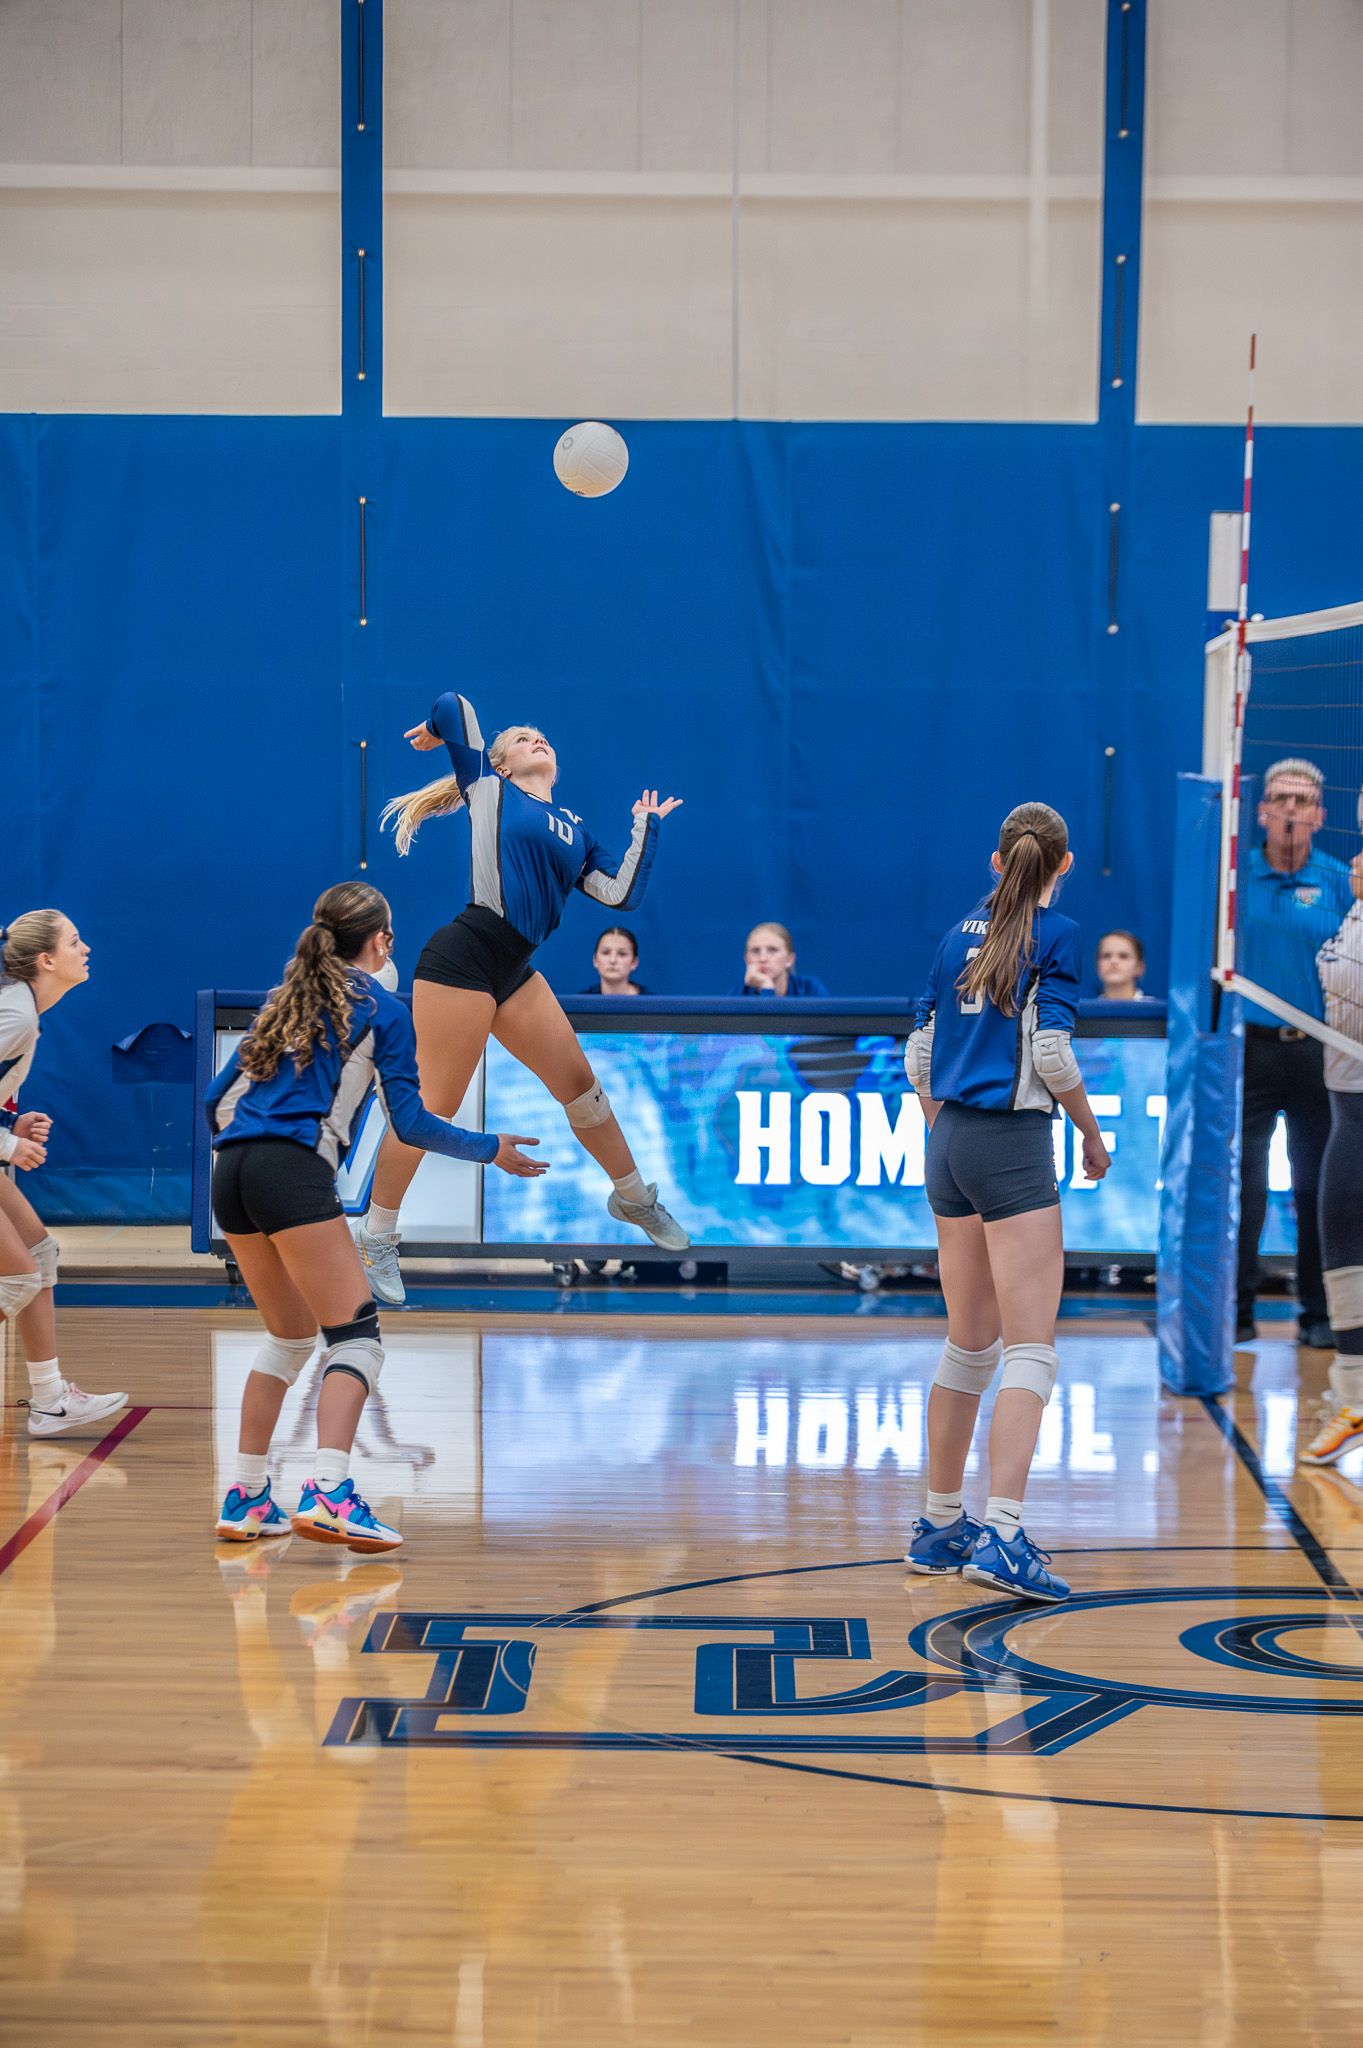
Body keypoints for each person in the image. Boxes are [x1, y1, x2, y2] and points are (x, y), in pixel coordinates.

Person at [206, 882, 545, 1551]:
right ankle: (330, 1491)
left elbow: (218, 1098)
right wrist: (489, 1149)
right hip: (290, 1172)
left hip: (231, 1171)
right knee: (356, 1338)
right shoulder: (383, 1010)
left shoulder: (282, 999)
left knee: (288, 1336)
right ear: (383, 941)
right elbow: (412, 1122)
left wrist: (249, 1152)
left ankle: (246, 1494)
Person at [355, 692, 688, 1306]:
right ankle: (376, 1236)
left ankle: (634, 1197)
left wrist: (647, 829)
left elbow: (620, 895)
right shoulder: (488, 789)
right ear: (501, 762)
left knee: (583, 1090)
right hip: (463, 957)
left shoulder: (577, 829)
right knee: (433, 1106)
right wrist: (435, 730)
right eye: (522, 738)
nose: (538, 740)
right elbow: (454, 705)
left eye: (543, 737)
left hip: (514, 968)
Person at [902, 801, 1110, 1605]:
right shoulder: (1056, 936)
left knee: (968, 1347)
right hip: (1012, 1140)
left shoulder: (957, 932)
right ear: (1061, 865)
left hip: (947, 1138)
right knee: (1030, 1350)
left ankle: (938, 1525)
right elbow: (1051, 1051)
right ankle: (1004, 1534)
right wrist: (1090, 1134)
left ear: (997, 864)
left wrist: (945, 1130)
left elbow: (918, 1051)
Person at [1235, 757, 1352, 1348]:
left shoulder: (1339, 880)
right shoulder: (1235, 878)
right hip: (1249, 1055)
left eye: (1302, 801)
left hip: (1318, 1053)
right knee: (1243, 1186)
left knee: (1316, 1188)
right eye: (1280, 798)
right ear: (1260, 811)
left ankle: (1319, 1315)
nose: (1289, 809)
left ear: (1319, 816)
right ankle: (1234, 1313)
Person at [0, 911, 127, 1437]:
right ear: (46, 960)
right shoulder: (15, 1016)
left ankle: (50, 1399)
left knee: (39, 1257)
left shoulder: (22, 1011)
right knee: (18, 1278)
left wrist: (10, 1120)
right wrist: (9, 1144)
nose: (86, 947)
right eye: (75, 941)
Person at [1302, 829, 1363, 1465]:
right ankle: (1353, 1396)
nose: (1353, 860)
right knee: (1341, 1245)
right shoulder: (1353, 909)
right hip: (1347, 1101)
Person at [730, 922, 829, 998]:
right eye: (755, 951)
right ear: (746, 959)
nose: (763, 958)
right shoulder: (739, 994)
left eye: (772, 950)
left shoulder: (810, 989)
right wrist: (766, 986)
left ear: (789, 960)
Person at [581, 926, 650, 996]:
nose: (613, 960)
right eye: (606, 952)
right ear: (595, 960)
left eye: (622, 954)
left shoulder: (652, 1004)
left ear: (634, 962)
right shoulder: (579, 1004)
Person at [1095, 929, 1148, 1001]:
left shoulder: (1157, 1011)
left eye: (1123, 956)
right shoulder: (1084, 1011)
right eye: (1106, 956)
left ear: (1139, 967)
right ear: (1097, 964)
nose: (1113, 961)